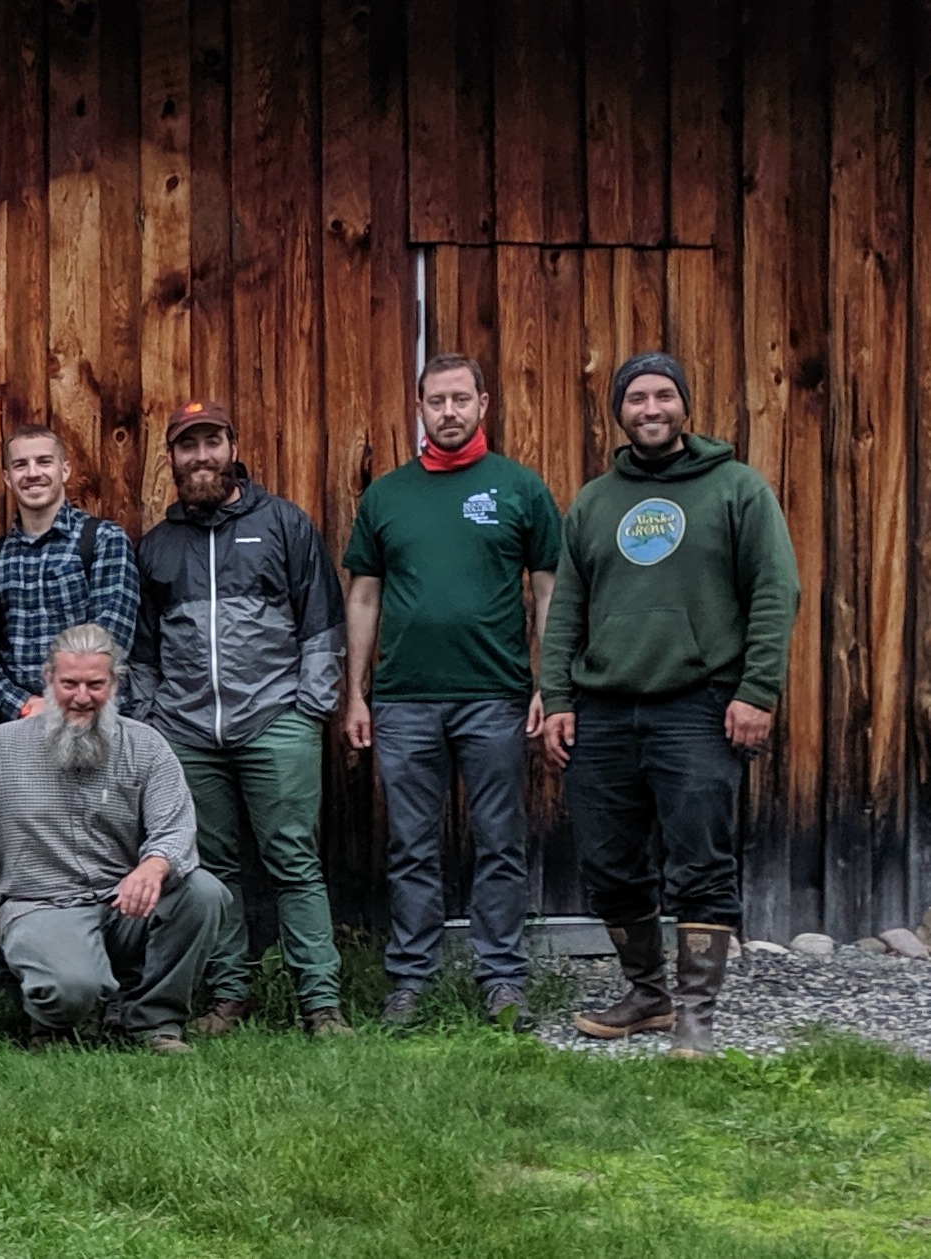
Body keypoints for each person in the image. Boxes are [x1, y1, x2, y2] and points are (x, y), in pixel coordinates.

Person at [541, 353, 798, 1060]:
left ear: (684, 406)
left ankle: (696, 1014)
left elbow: (776, 593)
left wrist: (757, 690)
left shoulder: (737, 488)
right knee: (609, 861)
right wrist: (558, 696)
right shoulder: (595, 501)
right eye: (636, 398)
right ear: (618, 412)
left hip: (698, 705)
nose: (649, 408)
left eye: (663, 395)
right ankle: (646, 993)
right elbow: (567, 608)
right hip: (602, 710)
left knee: (700, 862)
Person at [337, 355, 561, 1028]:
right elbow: (365, 595)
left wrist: (549, 682)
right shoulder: (387, 495)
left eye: (461, 398)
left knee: (499, 838)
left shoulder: (520, 488)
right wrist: (357, 693)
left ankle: (502, 978)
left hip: (494, 693)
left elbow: (548, 589)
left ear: (483, 403)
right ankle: (409, 978)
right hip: (403, 699)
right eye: (437, 401)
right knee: (411, 842)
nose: (449, 412)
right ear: (420, 407)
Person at [126, 400, 351, 1038]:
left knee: (294, 862)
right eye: (187, 446)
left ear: (232, 447)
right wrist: (151, 722)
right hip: (188, 733)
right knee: (211, 869)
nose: (201, 456)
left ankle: (321, 1002)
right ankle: (228, 995)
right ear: (170, 458)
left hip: (275, 721)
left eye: (212, 442)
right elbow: (143, 650)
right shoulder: (159, 546)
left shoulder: (282, 524)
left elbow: (321, 623)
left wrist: (309, 709)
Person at [0, 625, 227, 1054]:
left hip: (120, 904)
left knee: (205, 893)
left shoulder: (145, 745)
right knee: (71, 990)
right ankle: (60, 1016)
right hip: (39, 905)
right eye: (69, 683)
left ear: (114, 685)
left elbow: (176, 826)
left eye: (96, 684)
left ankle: (153, 1021)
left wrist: (154, 864)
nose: (81, 697)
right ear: (48, 680)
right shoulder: (1, 748)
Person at [0, 425, 139, 720]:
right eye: (20, 465)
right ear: (6, 478)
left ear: (65, 470)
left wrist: (65, 702)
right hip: (18, 724)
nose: (33, 473)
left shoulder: (103, 540)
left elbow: (111, 640)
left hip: (92, 719)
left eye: (44, 461)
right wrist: (22, 704)